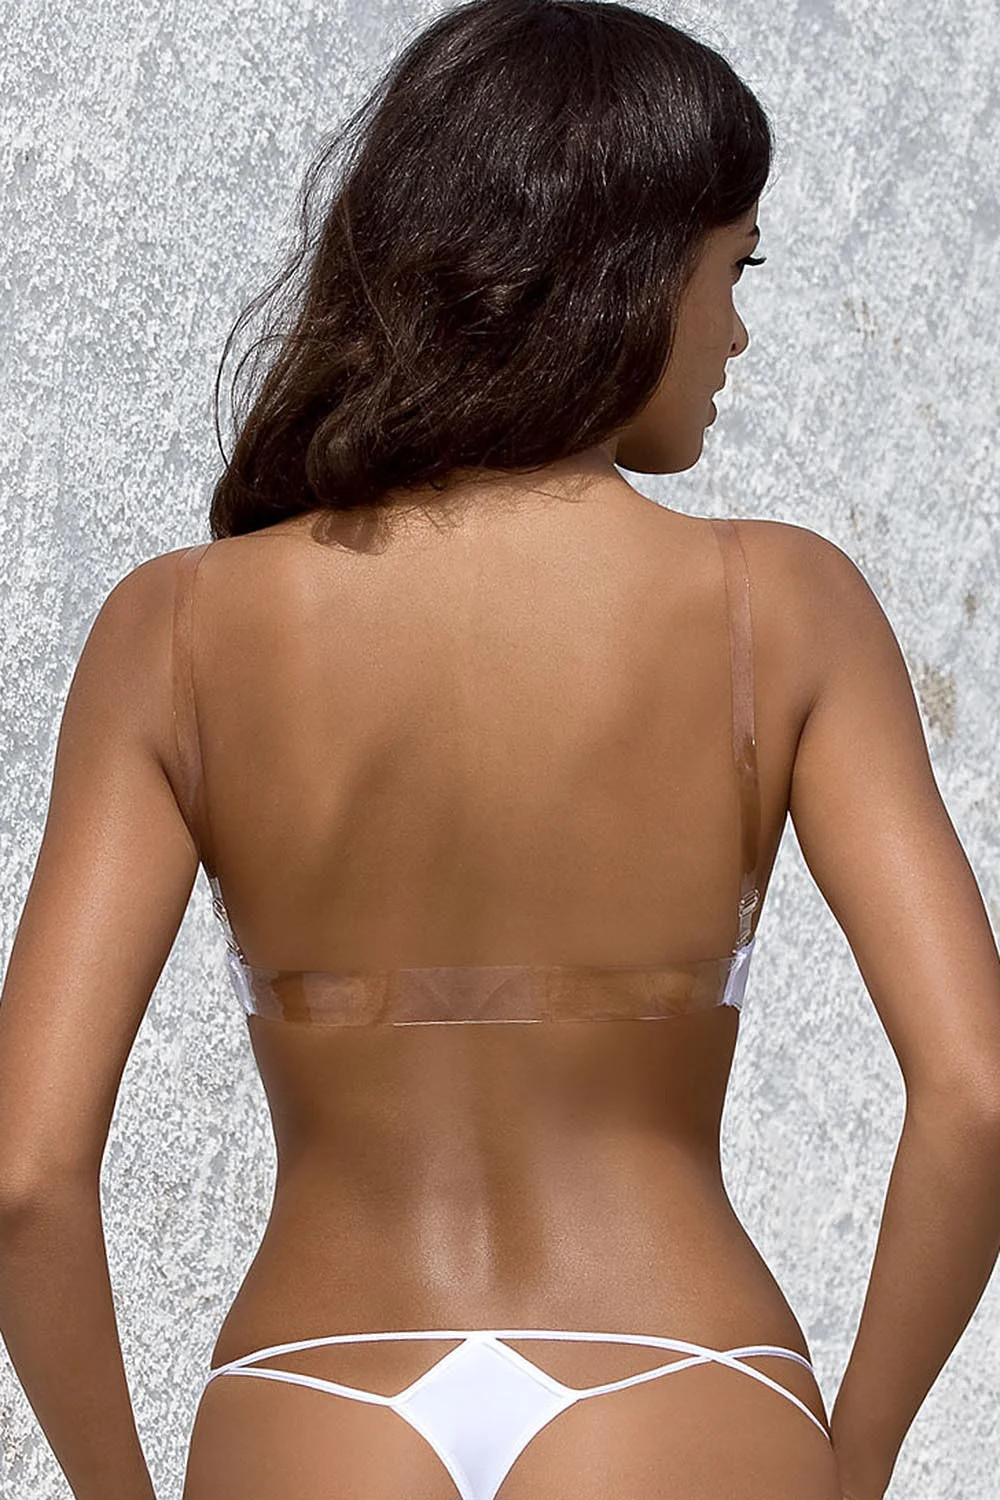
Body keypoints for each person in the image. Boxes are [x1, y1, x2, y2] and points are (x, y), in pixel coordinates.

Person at [1, 2, 999, 1498]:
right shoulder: (782, 605)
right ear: (627, 265)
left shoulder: (175, 630)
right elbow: (977, 1094)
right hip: (683, 1385)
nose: (736, 333)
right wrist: (843, 1468)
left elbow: (23, 1174)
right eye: (734, 269)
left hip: (315, 1397)